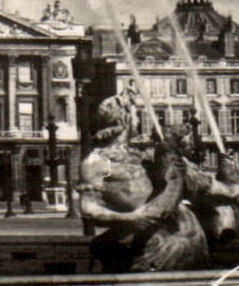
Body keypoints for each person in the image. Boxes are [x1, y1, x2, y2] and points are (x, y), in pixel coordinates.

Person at [78, 95, 205, 271]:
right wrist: (131, 218)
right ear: (124, 118)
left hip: (188, 236)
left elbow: (176, 185)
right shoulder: (99, 162)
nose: (139, 120)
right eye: (136, 115)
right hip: (159, 244)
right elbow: (88, 208)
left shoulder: (143, 157)